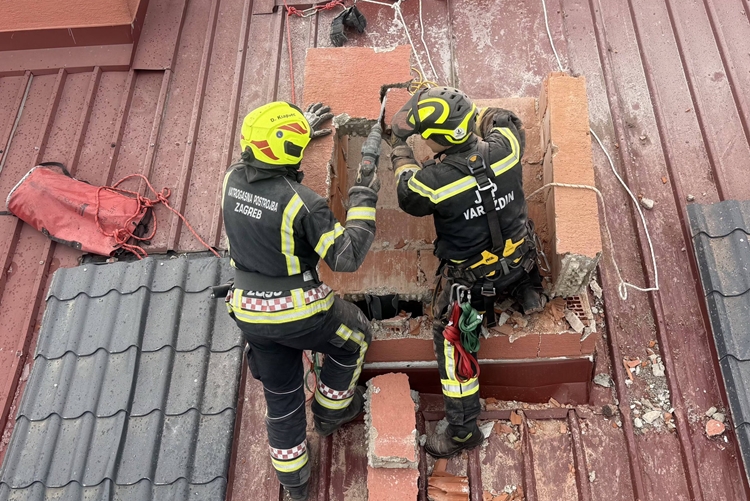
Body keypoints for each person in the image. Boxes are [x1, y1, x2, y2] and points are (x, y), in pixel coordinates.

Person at [222, 101, 380, 500]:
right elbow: (346, 258)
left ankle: (294, 482)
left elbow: (264, 164)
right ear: (290, 153)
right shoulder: (304, 203)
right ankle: (330, 413)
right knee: (355, 337)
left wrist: (300, 132)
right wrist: (364, 197)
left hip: (249, 312)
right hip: (299, 311)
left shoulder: (231, 180)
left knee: (281, 399)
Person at [389, 86, 545, 458]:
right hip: (520, 262)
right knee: (522, 246)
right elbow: (507, 119)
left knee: (451, 340)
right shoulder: (506, 147)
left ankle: (462, 431)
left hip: (471, 286)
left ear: (434, 139)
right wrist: (470, 116)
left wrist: (399, 147)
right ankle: (529, 293)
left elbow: (406, 191)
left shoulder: (433, 181)